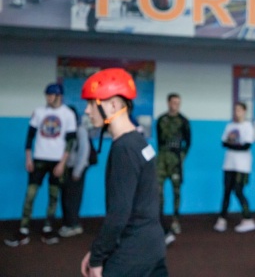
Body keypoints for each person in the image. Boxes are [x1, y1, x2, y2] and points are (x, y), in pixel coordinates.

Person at [79, 68, 167, 277]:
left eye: (92, 103)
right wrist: (97, 250)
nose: (87, 111)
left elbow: (119, 213)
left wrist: (97, 256)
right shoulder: (138, 141)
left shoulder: (124, 149)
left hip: (133, 251)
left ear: (113, 105)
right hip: (152, 244)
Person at [4, 83, 77, 247]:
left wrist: (62, 163)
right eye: (47, 95)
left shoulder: (68, 114)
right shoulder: (39, 112)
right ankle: (23, 230)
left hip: (57, 162)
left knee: (53, 196)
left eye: (51, 95)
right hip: (39, 160)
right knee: (30, 194)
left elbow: (71, 141)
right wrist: (28, 158)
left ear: (59, 96)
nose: (48, 98)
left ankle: (47, 228)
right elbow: (30, 136)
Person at [213, 102, 255, 233]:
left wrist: (231, 144)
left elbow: (246, 146)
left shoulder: (248, 126)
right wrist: (234, 145)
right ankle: (222, 219)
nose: (237, 112)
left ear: (244, 111)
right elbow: (223, 143)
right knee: (226, 191)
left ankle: (248, 219)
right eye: (235, 110)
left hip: (242, 166)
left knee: (238, 191)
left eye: (239, 110)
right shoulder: (230, 126)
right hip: (229, 164)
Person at [156, 93, 191, 241]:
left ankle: (176, 221)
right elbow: (159, 141)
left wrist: (181, 157)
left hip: (176, 160)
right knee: (158, 191)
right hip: (162, 160)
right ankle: (159, 221)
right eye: (173, 102)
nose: (175, 105)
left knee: (176, 191)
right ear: (168, 103)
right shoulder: (161, 120)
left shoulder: (183, 121)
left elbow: (188, 142)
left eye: (178, 103)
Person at [59, 105, 91, 238]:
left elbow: (84, 151)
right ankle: (68, 223)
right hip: (66, 168)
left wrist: (77, 171)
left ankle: (74, 225)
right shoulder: (65, 130)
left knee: (73, 197)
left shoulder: (80, 129)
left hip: (76, 168)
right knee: (65, 196)